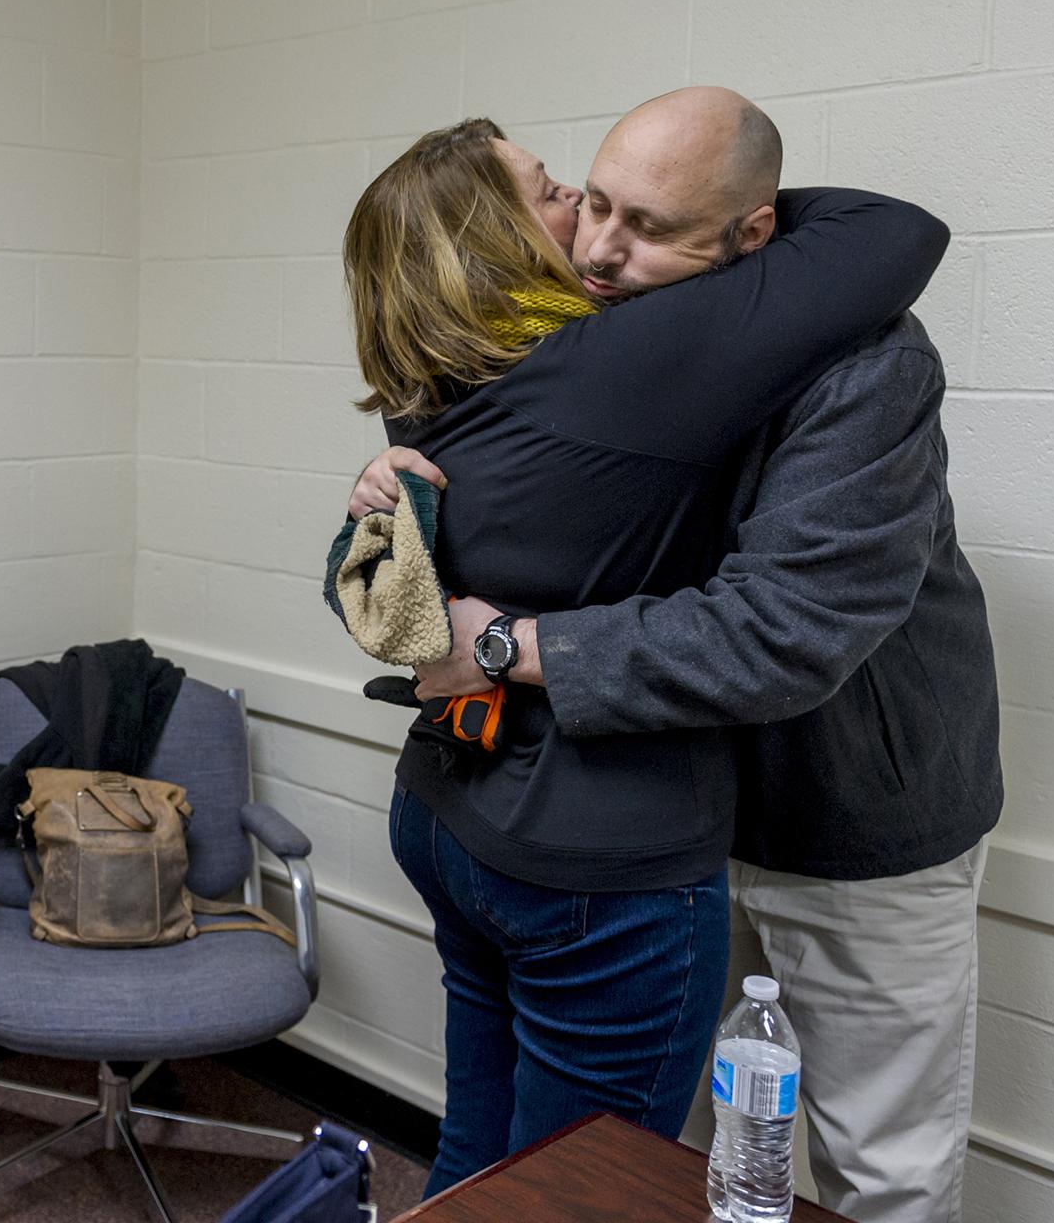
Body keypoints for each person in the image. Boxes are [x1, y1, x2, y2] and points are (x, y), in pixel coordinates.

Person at [388, 116, 1001, 1223]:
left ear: (753, 233)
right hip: (670, 811)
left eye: (652, 227)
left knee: (882, 1167)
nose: (597, 253)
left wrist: (502, 646)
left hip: (850, 815)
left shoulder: (867, 361)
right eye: (597, 204)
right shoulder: (599, 336)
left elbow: (781, 628)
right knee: (679, 1160)